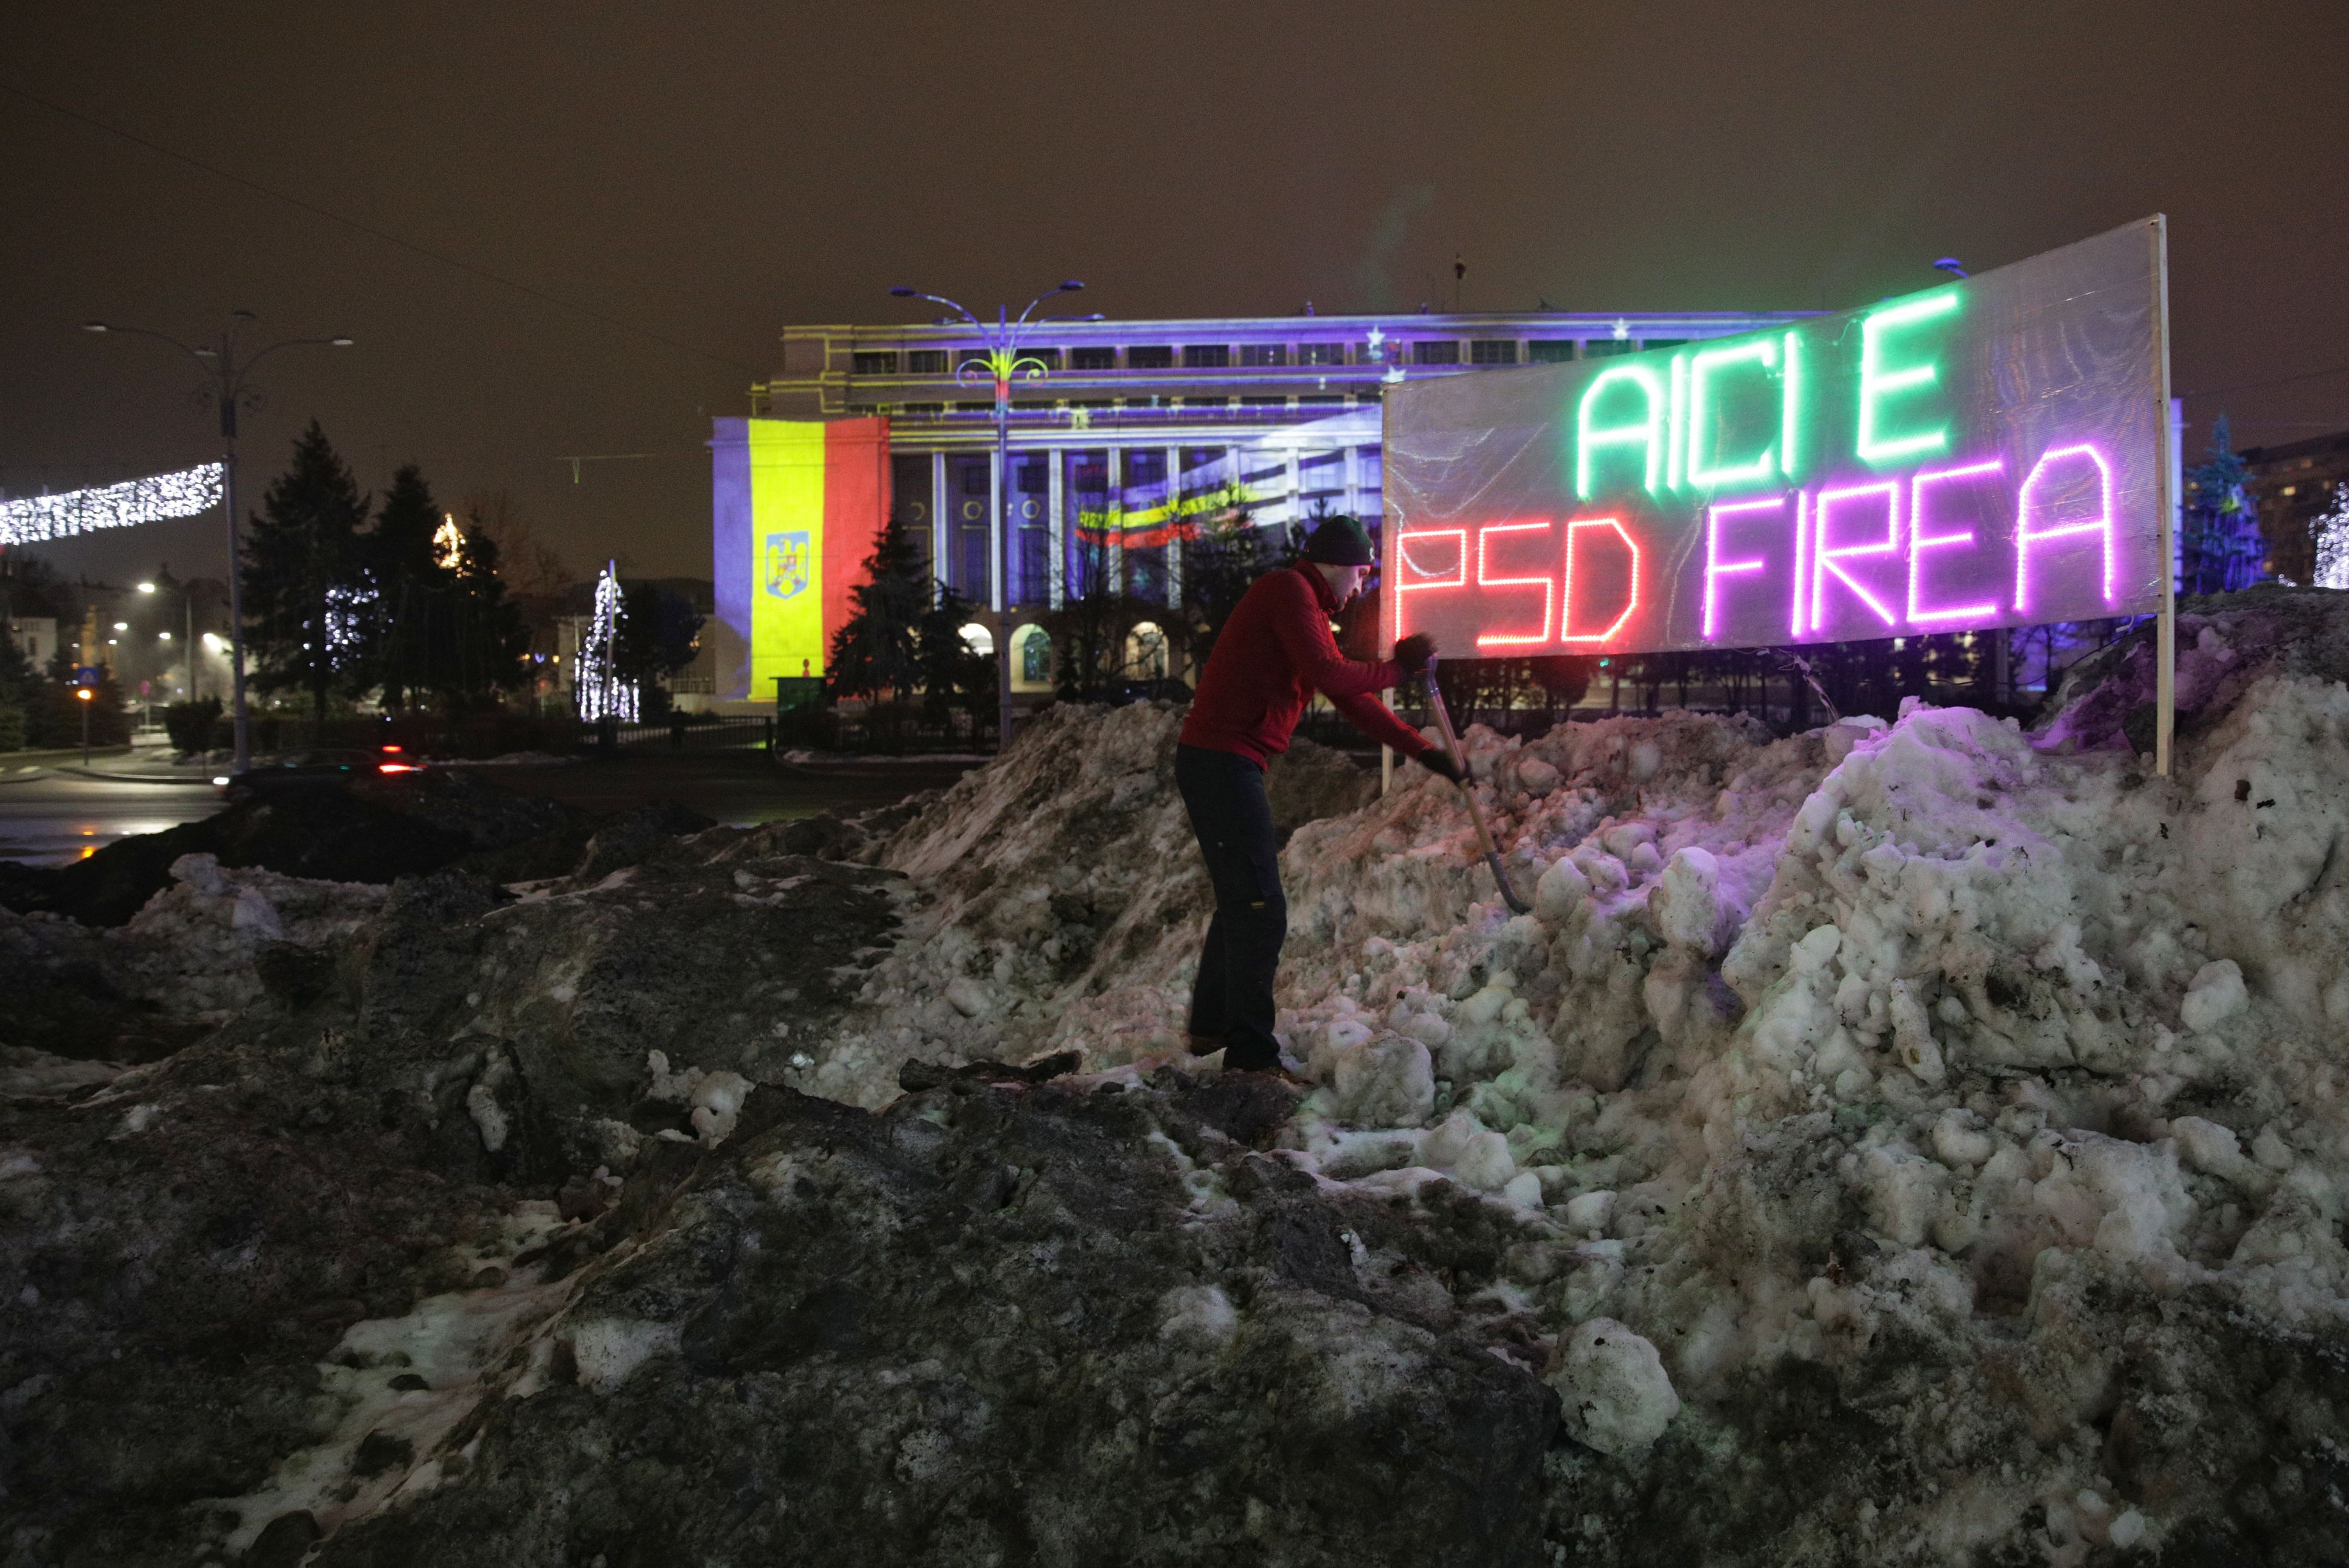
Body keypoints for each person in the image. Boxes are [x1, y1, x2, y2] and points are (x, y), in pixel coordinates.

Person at [1174, 514, 1463, 1075]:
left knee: (1243, 901)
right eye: (1359, 574)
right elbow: (1333, 675)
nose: (1360, 587)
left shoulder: (1303, 609)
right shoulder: (1287, 590)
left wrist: (1424, 753)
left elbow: (1349, 697)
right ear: (1338, 566)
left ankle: (1211, 1029)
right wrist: (1398, 670)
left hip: (1223, 760)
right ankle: (1251, 1055)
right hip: (1221, 761)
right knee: (1261, 907)